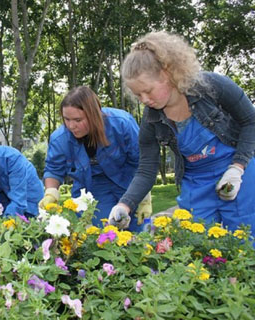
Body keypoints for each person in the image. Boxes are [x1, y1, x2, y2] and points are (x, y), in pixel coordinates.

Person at [109, 30, 255, 240]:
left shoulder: (212, 86)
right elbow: (146, 168)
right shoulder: (152, 119)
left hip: (236, 171)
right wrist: (125, 204)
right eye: (138, 94)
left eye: (148, 91)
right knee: (195, 245)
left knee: (245, 242)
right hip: (195, 182)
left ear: (168, 74)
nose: (144, 99)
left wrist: (237, 167)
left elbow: (250, 121)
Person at [40, 86, 152, 232]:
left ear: (94, 115)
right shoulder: (60, 139)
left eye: (78, 120)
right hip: (91, 191)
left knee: (140, 235)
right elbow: (54, 170)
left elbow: (142, 161)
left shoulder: (122, 123)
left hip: (128, 183)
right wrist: (51, 192)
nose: (71, 126)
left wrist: (143, 197)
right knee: (103, 235)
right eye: (66, 119)